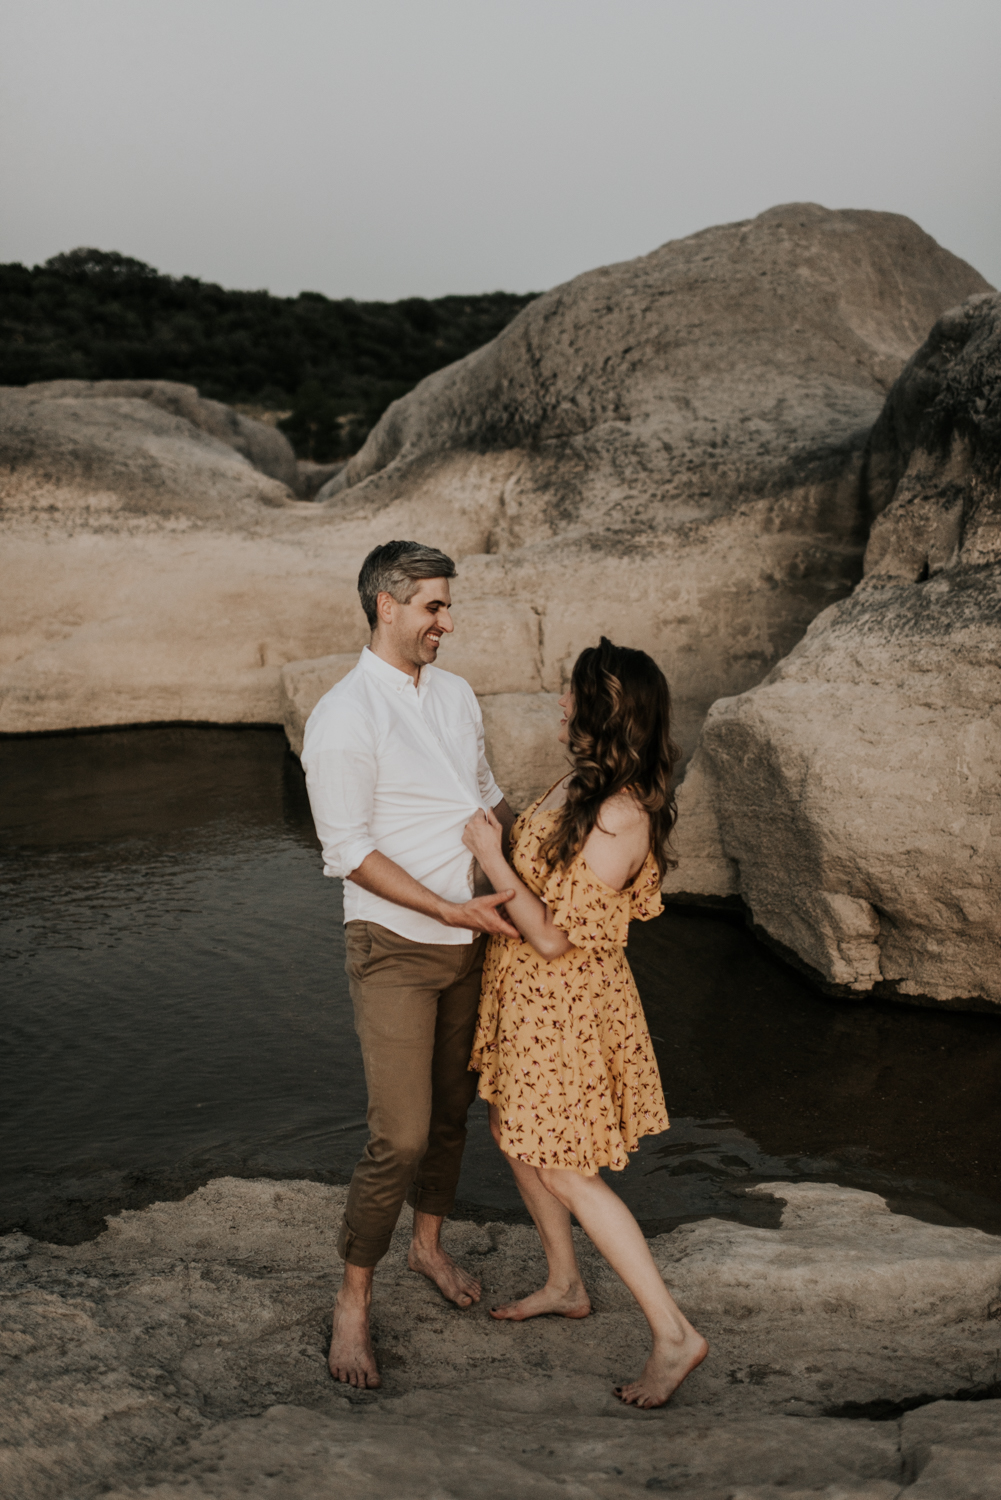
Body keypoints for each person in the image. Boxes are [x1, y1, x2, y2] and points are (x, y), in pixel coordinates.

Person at [463, 637, 709, 1409]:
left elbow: (550, 934)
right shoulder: (580, 782)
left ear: (601, 703)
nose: (560, 700)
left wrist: (488, 853)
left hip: (567, 1006)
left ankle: (673, 1334)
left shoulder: (621, 812)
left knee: (569, 1166)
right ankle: (566, 1282)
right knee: (513, 1137)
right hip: (527, 999)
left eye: (572, 690)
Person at [301, 539, 518, 1390]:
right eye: (433, 606)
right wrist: (446, 908)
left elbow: (487, 800)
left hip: (473, 940)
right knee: (399, 1133)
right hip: (394, 947)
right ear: (385, 605)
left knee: (455, 1113)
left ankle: (426, 1248)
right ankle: (353, 1301)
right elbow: (347, 850)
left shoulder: (456, 694)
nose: (446, 623)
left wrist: (562, 859)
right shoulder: (344, 715)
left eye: (447, 605)